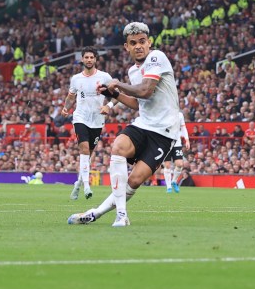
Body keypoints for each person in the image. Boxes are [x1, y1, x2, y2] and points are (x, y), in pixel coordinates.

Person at [68, 22, 181, 227]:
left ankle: (96, 213)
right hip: (144, 124)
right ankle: (122, 215)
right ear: (126, 47)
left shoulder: (157, 57)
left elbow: (145, 91)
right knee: (118, 146)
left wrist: (117, 85)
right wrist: (114, 94)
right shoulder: (133, 71)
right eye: (133, 43)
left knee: (134, 181)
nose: (138, 46)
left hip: (165, 132)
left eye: (142, 41)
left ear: (149, 43)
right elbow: (139, 104)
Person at [60, 47, 113, 201]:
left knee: (88, 155)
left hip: (97, 120)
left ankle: (78, 183)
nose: (89, 60)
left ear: (95, 59)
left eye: (92, 57)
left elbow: (117, 96)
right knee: (83, 149)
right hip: (80, 117)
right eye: (86, 57)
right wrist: (65, 108)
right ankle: (87, 186)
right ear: (82, 59)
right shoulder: (76, 79)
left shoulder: (104, 77)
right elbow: (71, 97)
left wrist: (107, 106)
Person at [161, 111, 190, 194]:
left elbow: (183, 128)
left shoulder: (180, 115)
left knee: (180, 164)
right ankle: (169, 187)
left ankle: (174, 181)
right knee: (167, 165)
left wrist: (187, 140)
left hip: (177, 143)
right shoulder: (163, 113)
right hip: (166, 143)